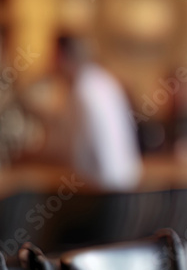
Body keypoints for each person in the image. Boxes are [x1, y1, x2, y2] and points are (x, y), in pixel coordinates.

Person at [59, 36, 141, 191]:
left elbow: (81, 148)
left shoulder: (84, 88)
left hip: (104, 187)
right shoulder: (102, 79)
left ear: (63, 58)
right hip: (126, 180)